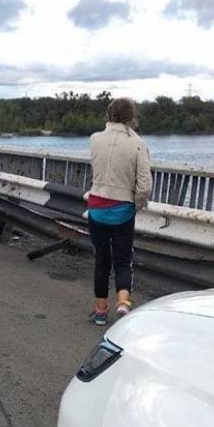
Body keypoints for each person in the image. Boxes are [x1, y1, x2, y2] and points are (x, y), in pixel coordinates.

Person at [86, 98, 152, 325]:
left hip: (96, 208)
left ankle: (101, 311)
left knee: (101, 261)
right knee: (123, 260)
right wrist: (136, 204)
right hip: (123, 210)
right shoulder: (138, 144)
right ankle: (123, 303)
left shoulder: (95, 139)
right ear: (132, 117)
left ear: (108, 114)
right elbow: (144, 185)